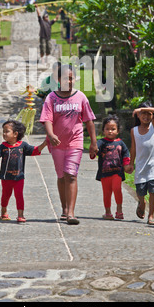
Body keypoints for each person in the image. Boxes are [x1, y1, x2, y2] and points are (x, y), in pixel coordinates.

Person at [40, 64, 97, 225]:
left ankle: (71, 213)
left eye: (71, 78)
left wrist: (93, 143)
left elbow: (89, 121)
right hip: (57, 144)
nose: (69, 81)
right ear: (58, 79)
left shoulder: (81, 97)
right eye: (66, 78)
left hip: (76, 142)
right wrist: (50, 135)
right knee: (61, 176)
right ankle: (64, 208)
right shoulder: (51, 98)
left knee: (71, 175)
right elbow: (47, 119)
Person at [0, 120, 47, 223]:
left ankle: (20, 215)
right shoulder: (2, 147)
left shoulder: (23, 146)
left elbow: (35, 150)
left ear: (15, 134)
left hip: (19, 177)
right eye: (3, 131)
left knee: (19, 195)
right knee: (5, 195)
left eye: (7, 131)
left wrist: (44, 144)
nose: (4, 134)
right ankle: (4, 213)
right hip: (6, 177)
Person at [130, 101, 154, 226]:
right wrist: (131, 162)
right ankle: (141, 202)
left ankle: (150, 215)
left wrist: (140, 109)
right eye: (142, 113)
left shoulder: (153, 127)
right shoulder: (134, 131)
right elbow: (133, 148)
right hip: (141, 166)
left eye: (149, 114)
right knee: (140, 191)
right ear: (138, 116)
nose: (145, 116)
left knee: (153, 191)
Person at [93, 115, 132, 220]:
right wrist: (94, 150)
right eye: (107, 129)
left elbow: (126, 154)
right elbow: (95, 151)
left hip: (117, 172)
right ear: (103, 130)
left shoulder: (120, 143)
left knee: (117, 189)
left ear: (118, 130)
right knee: (107, 193)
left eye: (113, 129)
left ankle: (119, 210)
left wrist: (127, 165)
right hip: (104, 173)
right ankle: (108, 212)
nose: (110, 131)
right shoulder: (101, 142)